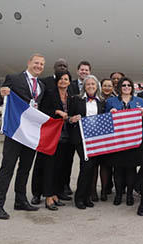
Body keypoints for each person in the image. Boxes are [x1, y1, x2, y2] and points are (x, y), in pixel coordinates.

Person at [0, 53, 46, 220]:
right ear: (29, 63)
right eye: (36, 63)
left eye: (42, 64)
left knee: (25, 168)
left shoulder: (41, 86)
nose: (38, 66)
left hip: (29, 134)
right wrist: (2, 94)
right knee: (7, 168)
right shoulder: (14, 79)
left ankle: (20, 200)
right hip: (15, 131)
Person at [31, 58, 69, 205]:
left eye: (64, 67)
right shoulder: (46, 85)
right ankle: (38, 193)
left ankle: (54, 193)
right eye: (59, 66)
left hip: (64, 136)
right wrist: (56, 112)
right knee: (42, 164)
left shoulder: (70, 94)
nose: (63, 81)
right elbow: (42, 109)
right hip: (48, 134)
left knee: (58, 166)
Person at [105, 77, 143, 206]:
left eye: (129, 85)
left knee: (131, 169)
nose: (126, 87)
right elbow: (105, 120)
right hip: (118, 140)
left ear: (132, 88)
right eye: (124, 85)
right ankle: (118, 194)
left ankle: (129, 195)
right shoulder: (111, 101)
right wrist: (110, 113)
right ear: (120, 87)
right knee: (118, 169)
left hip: (134, 140)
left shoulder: (140, 101)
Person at [67, 75, 105, 210]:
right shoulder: (76, 100)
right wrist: (72, 119)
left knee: (91, 167)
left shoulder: (101, 101)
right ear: (84, 86)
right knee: (86, 165)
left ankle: (87, 196)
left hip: (95, 139)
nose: (90, 87)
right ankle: (79, 197)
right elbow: (68, 117)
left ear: (97, 87)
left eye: (93, 85)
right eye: (88, 84)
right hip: (80, 138)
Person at [63, 60, 91, 195]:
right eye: (82, 70)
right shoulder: (70, 85)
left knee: (85, 164)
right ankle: (65, 185)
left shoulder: (92, 88)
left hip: (87, 135)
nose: (84, 72)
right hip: (72, 131)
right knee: (66, 161)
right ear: (77, 71)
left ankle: (86, 190)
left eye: (86, 70)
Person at [91, 77, 116, 201]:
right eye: (105, 85)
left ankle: (105, 190)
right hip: (95, 135)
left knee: (106, 165)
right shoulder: (96, 99)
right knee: (94, 165)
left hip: (109, 137)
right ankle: (93, 190)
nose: (107, 88)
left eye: (109, 86)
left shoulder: (115, 100)